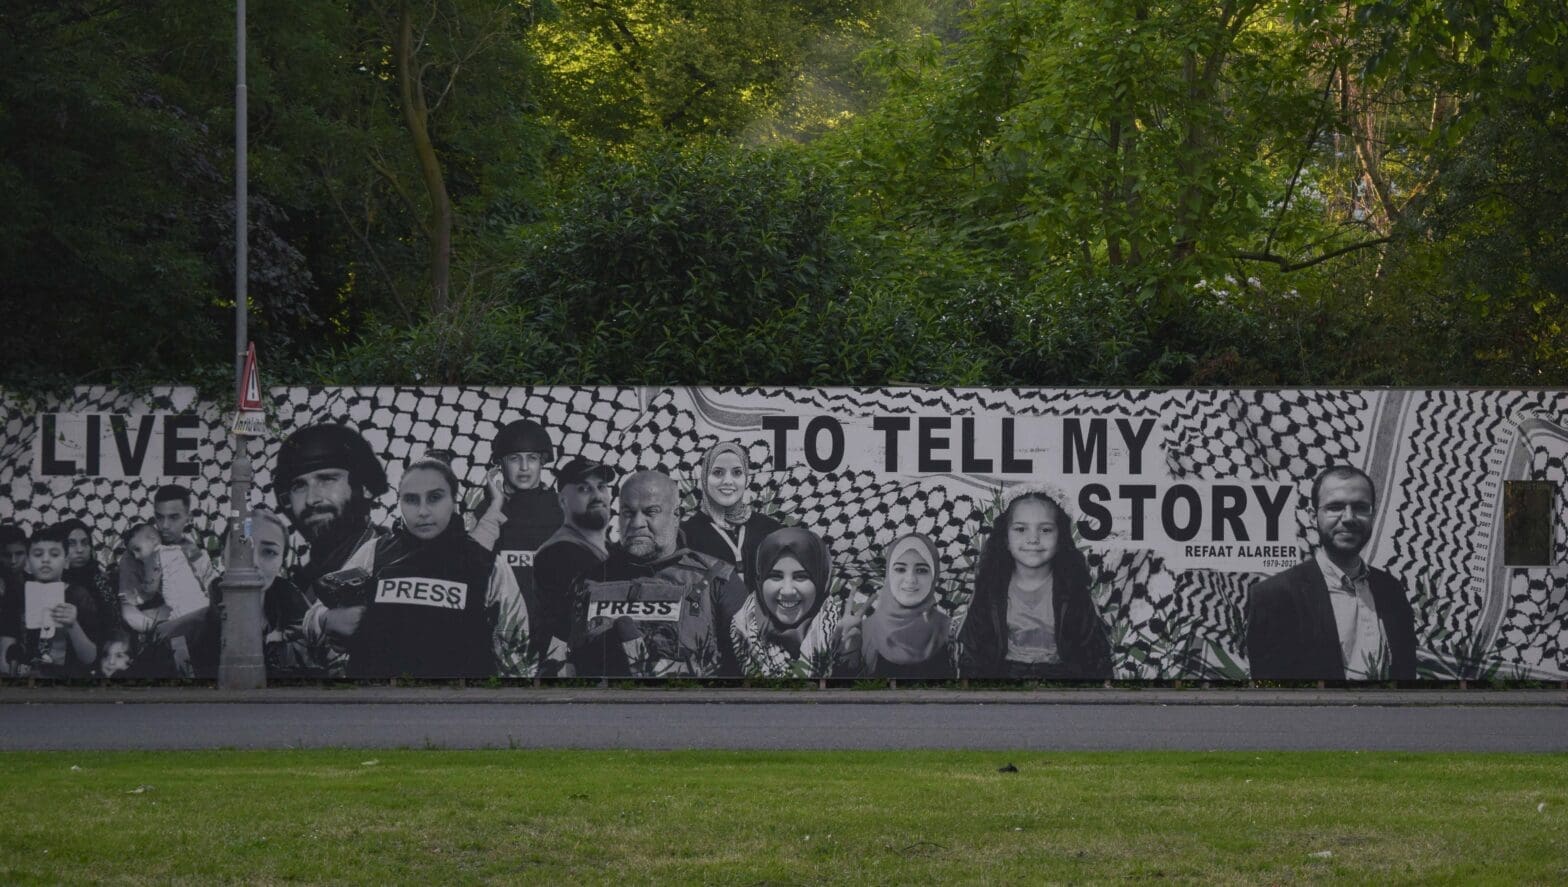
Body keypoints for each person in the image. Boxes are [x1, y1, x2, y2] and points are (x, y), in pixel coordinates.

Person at [302, 457, 531, 678]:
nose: (423, 511)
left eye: (435, 498)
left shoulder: (487, 563)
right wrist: (327, 619)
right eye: (411, 500)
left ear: (453, 500)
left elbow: (516, 647)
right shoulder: (373, 552)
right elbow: (312, 619)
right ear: (400, 502)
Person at [569, 470, 749, 678]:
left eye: (651, 512)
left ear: (676, 516)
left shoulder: (717, 580)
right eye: (628, 513)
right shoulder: (589, 581)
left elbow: (750, 673)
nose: (637, 523)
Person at [1247, 465, 1417, 681]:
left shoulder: (1391, 590)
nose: (1349, 518)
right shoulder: (1274, 596)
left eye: (1360, 507)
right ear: (1313, 517)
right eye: (1335, 507)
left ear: (1372, 515)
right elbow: (1272, 693)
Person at [272, 421, 390, 675]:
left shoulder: (396, 561)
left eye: (326, 479)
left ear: (365, 487)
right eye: (299, 485)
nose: (311, 499)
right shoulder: (291, 587)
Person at [957, 490, 1112, 680]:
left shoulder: (1073, 590)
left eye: (1045, 530)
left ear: (1060, 538)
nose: (1033, 539)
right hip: (1004, 677)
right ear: (1005, 539)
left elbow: (1094, 654)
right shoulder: (990, 590)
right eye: (1021, 529)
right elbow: (973, 653)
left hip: (1062, 678)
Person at [531, 456, 616, 676]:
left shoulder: (611, 550)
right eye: (583, 489)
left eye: (601, 486)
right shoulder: (559, 553)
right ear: (562, 501)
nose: (597, 496)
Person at [834, 533, 955, 679]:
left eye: (921, 570)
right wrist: (849, 650)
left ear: (934, 576)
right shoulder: (867, 632)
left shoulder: (949, 633)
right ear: (889, 574)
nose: (910, 579)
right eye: (900, 569)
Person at [730, 527, 843, 678]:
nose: (787, 591)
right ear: (760, 579)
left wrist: (851, 661)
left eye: (801, 576)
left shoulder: (844, 634)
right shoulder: (740, 633)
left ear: (821, 580)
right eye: (775, 576)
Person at [0, 524, 100, 677]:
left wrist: (73, 625)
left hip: (68, 681)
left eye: (54, 554)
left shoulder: (79, 595)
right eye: (38, 554)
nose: (45, 560)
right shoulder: (17, 596)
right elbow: (6, 650)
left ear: (66, 561)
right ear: (28, 563)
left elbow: (90, 657)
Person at [681, 441, 782, 583]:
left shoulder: (770, 529)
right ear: (704, 478)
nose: (728, 481)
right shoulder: (685, 535)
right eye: (718, 472)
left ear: (746, 478)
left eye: (737, 472)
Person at [58, 517, 119, 638]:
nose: (80, 550)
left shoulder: (101, 580)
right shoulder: (55, 583)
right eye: (71, 544)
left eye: (85, 543)